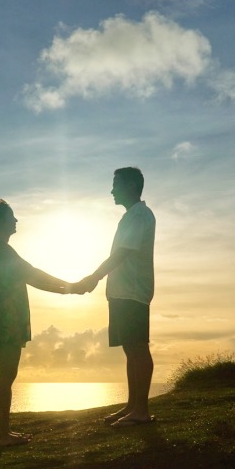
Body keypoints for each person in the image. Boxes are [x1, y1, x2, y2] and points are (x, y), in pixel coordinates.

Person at [0, 199, 72, 446]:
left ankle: (4, 432)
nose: (16, 220)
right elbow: (32, 273)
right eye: (12, 217)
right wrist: (69, 287)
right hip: (6, 319)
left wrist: (66, 288)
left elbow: (30, 274)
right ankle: (1, 435)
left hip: (8, 317)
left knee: (7, 375)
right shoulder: (0, 249)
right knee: (6, 376)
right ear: (0, 222)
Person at [76, 167, 156, 427]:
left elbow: (120, 254)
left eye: (116, 184)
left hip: (132, 291)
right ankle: (132, 406)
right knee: (130, 349)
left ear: (131, 186)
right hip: (122, 292)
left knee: (137, 348)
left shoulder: (139, 216)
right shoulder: (131, 216)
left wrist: (94, 277)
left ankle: (141, 411)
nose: (112, 190)